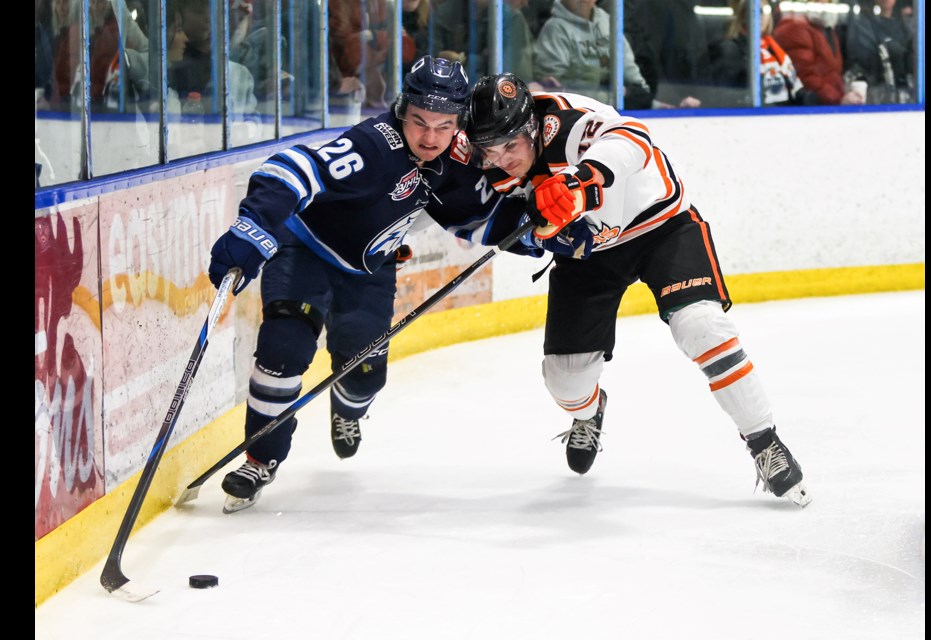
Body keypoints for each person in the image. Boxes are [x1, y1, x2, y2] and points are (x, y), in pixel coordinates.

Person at [465, 73, 812, 507]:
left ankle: (764, 441)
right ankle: (589, 414)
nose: (501, 159)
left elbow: (633, 136)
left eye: (510, 147)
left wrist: (579, 183)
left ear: (532, 127)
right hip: (589, 250)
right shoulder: (487, 156)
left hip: (660, 226)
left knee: (703, 327)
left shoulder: (567, 124)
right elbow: (500, 217)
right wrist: (546, 235)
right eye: (490, 151)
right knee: (565, 379)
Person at [206, 56, 535, 514]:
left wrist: (538, 232)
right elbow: (294, 167)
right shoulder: (374, 145)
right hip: (304, 250)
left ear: (458, 123)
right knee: (283, 349)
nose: (429, 138)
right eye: (419, 122)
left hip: (368, 269)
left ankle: (348, 409)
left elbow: (477, 217)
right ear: (403, 109)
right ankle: (260, 459)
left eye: (443, 126)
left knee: (362, 376)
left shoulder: (452, 160)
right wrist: (253, 226)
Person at [709, 0, 816, 106]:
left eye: (764, 10)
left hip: (782, 116)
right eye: (756, 10)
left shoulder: (773, 49)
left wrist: (807, 101)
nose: (760, 15)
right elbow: (725, 96)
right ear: (743, 15)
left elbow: (792, 89)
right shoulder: (730, 50)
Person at [773, 0, 864, 105]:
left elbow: (832, 72)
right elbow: (804, 76)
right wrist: (838, 99)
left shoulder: (826, 29)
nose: (824, 3)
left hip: (828, 106)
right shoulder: (795, 29)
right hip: (812, 109)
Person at [843, 0, 915, 104]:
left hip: (905, 100)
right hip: (876, 99)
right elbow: (866, 64)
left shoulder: (907, 27)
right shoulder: (862, 25)